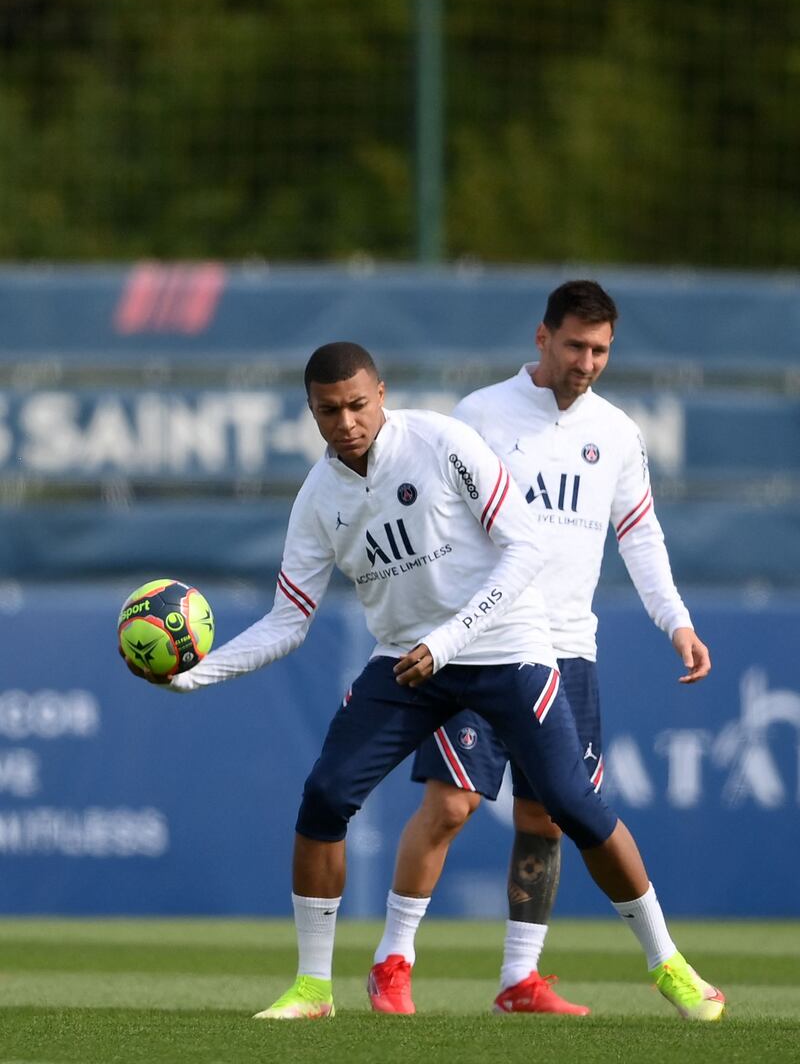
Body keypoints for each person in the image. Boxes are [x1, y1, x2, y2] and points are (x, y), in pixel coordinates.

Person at [129, 340, 724, 1023]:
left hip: (506, 648)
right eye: (329, 411)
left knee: (571, 802)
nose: (347, 421)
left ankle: (670, 965)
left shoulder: (443, 441)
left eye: (358, 404)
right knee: (325, 796)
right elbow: (288, 620)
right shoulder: (318, 498)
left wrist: (449, 640)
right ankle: (314, 989)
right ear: (312, 412)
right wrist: (198, 675)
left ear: (381, 393)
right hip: (408, 661)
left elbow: (526, 545)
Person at [367, 280, 713, 1019]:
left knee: (547, 818)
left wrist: (675, 620)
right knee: (454, 802)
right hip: (483, 644)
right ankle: (393, 961)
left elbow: (640, 533)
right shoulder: (483, 416)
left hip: (568, 649)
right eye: (574, 345)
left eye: (600, 350)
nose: (586, 361)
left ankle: (519, 979)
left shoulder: (617, 433)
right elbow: (434, 524)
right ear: (542, 338)